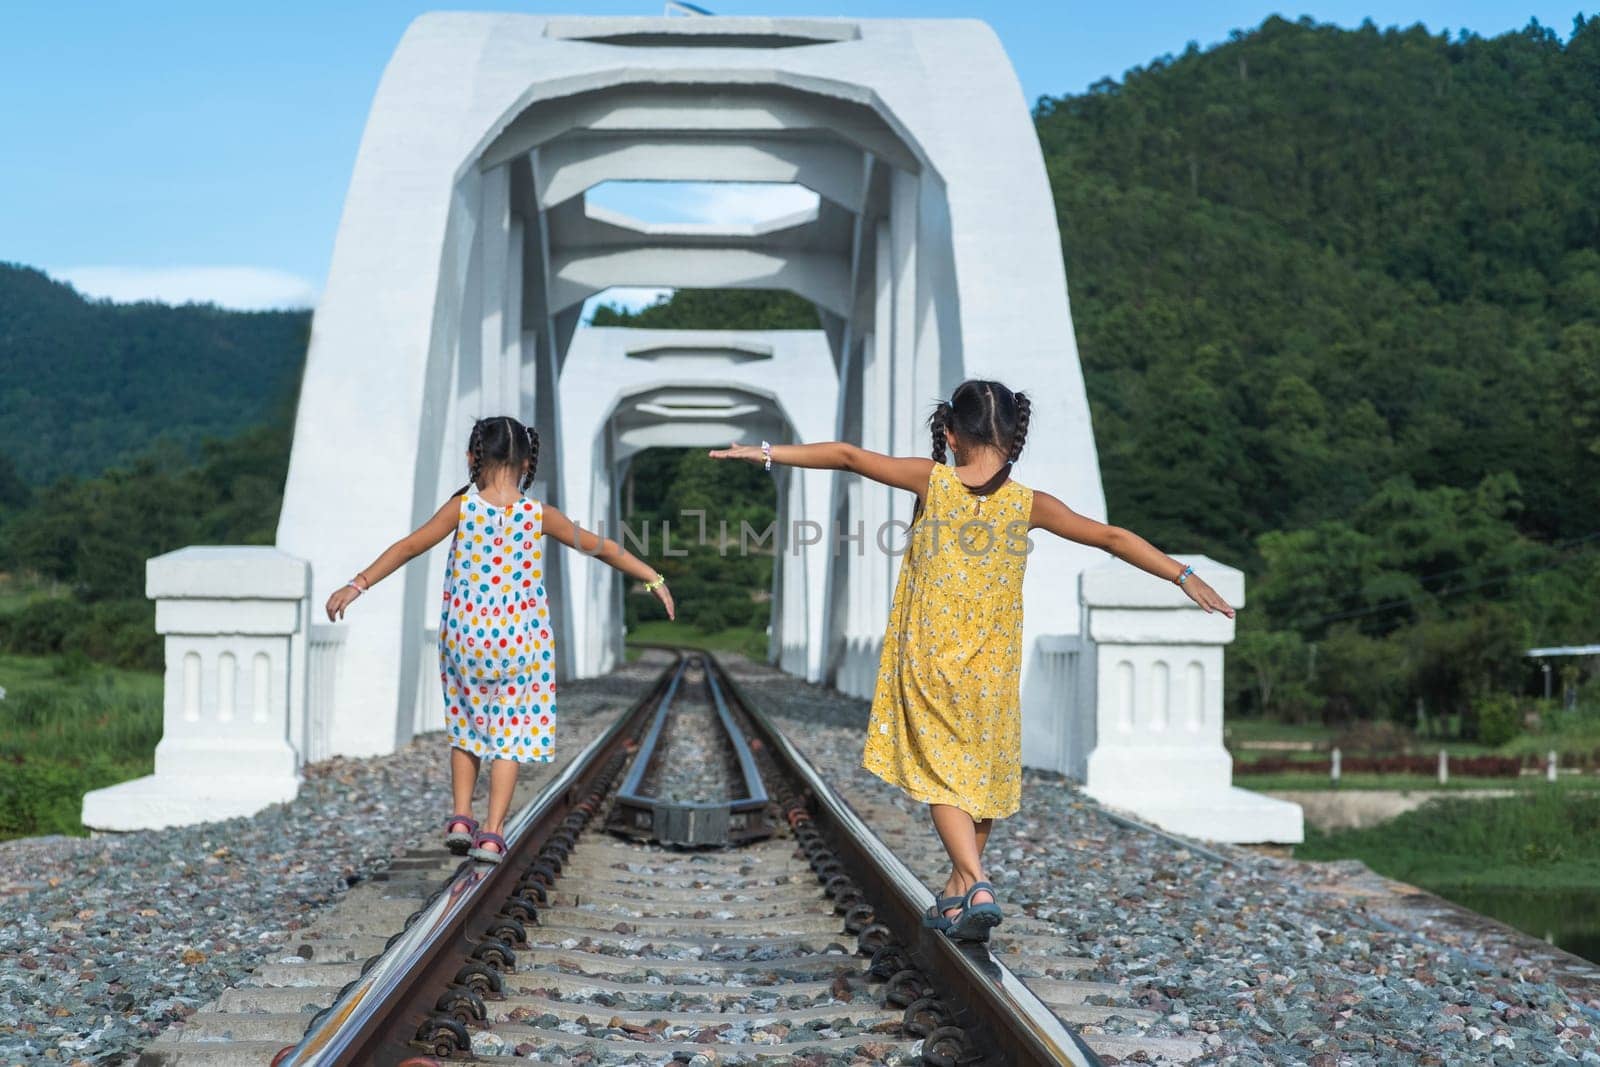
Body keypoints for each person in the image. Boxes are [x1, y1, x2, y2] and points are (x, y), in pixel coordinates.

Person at [711, 380, 1234, 940]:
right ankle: (959, 896)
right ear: (1014, 440)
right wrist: (1183, 574)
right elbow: (1110, 537)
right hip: (993, 665)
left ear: (951, 435)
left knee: (943, 778)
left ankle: (976, 881)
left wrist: (765, 452)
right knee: (976, 781)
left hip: (930, 656)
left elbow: (846, 457)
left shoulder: (933, 482)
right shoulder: (1029, 504)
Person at [325, 416, 674, 863]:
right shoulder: (538, 515)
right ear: (528, 463)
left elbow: (410, 546)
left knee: (467, 726)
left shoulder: (462, 507)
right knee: (508, 738)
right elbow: (600, 546)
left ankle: (458, 817)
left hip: (465, 638)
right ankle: (491, 833)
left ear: (473, 458)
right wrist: (652, 576)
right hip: (519, 642)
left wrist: (357, 585)